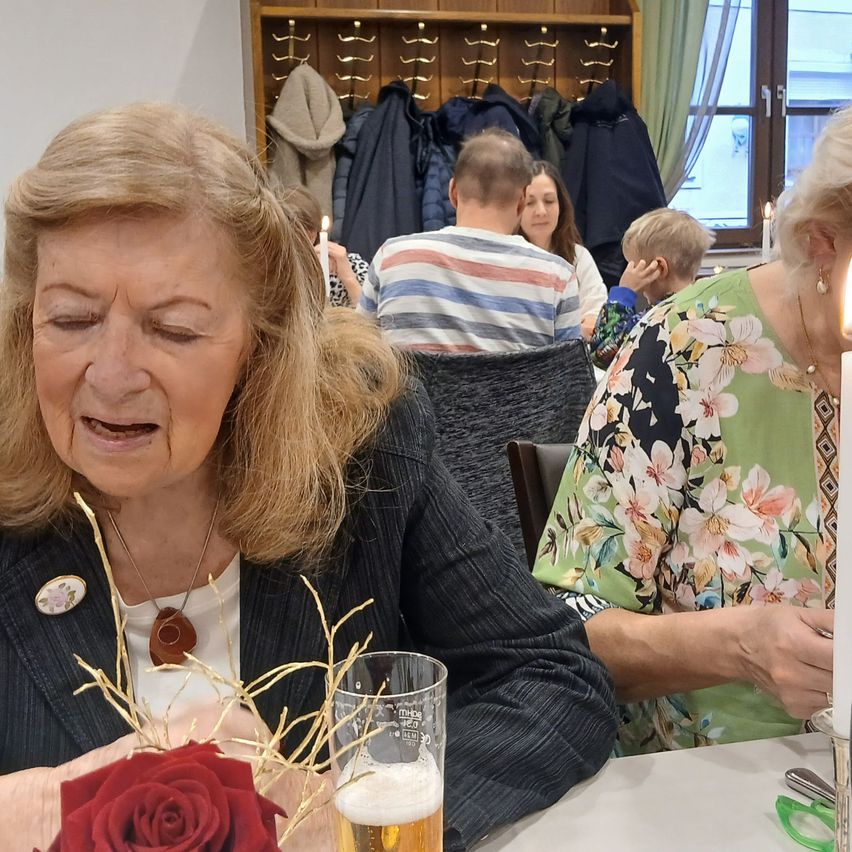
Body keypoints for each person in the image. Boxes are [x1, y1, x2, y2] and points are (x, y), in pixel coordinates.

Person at [0, 103, 617, 850]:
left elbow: (556, 677)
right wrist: (41, 808)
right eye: (69, 319)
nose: (113, 373)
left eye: (173, 329)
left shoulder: (362, 452)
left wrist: (350, 805)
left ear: (261, 346)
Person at [532, 105, 852, 755]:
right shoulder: (684, 349)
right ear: (823, 242)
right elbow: (570, 628)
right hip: (702, 792)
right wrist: (740, 645)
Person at [358, 128, 581, 353]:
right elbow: (570, 382)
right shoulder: (558, 277)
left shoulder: (392, 258)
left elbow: (359, 359)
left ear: (453, 191)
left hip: (407, 390)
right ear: (522, 202)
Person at [588, 207, 715, 369]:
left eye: (633, 266)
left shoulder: (653, 320)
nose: (629, 272)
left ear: (659, 268)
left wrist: (622, 295)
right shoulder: (709, 309)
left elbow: (602, 355)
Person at [520, 160, 607, 340]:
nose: (541, 211)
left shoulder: (579, 256)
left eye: (549, 201)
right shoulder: (506, 259)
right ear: (517, 207)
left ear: (562, 205)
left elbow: (596, 318)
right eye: (530, 203)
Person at [274, 184, 368, 307]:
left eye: (310, 227)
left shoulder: (350, 264)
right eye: (295, 230)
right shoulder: (270, 271)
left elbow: (372, 320)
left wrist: (348, 278)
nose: (308, 235)